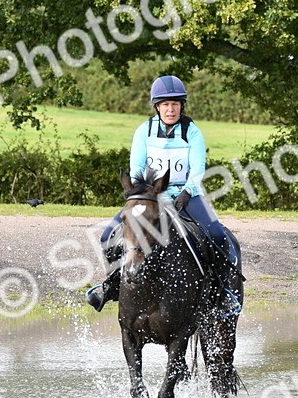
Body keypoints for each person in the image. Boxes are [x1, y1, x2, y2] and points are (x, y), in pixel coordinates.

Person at [86, 75, 242, 312]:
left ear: (182, 106)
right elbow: (136, 168)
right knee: (107, 237)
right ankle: (111, 285)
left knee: (218, 236)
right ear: (157, 106)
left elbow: (198, 168)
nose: (171, 109)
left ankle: (222, 293)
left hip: (186, 196)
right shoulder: (143, 131)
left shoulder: (192, 132)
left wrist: (187, 192)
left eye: (175, 104)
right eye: (166, 104)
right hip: (149, 197)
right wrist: (144, 193)